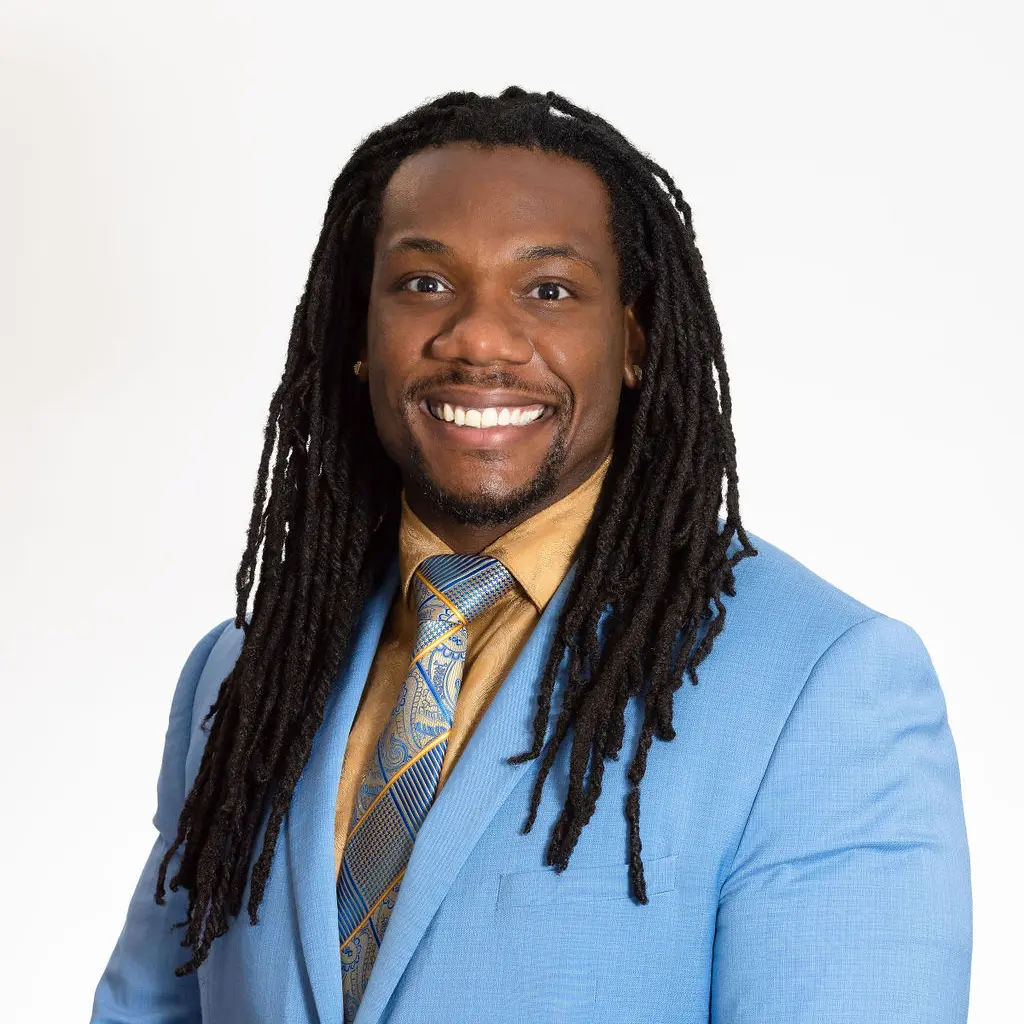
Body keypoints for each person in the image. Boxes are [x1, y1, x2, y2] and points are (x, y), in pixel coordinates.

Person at [91, 87, 972, 1024]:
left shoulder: (824, 685)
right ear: (358, 332)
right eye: (425, 283)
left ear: (634, 339)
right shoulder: (244, 679)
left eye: (548, 290)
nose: (477, 337)